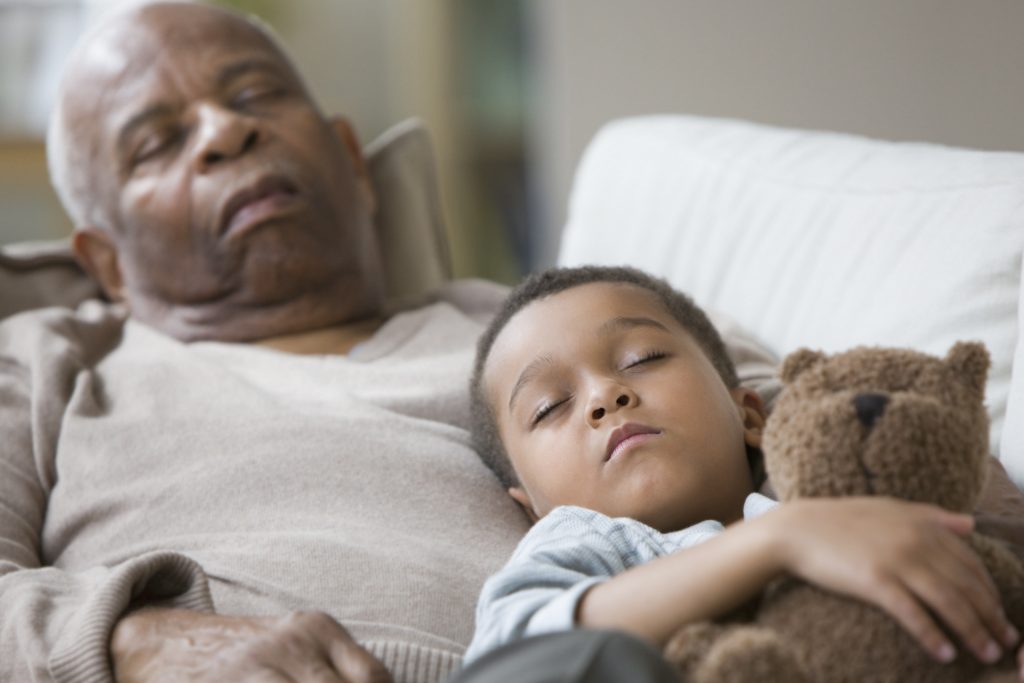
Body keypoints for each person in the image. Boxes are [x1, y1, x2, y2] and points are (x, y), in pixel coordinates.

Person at [0, 3, 681, 682]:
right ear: (108, 263)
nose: (227, 130)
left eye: (255, 95)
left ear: (353, 161)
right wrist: (135, 641)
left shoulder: (534, 327)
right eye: (155, 143)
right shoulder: (42, 361)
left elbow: (759, 420)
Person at [464, 265, 1024, 675]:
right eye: (548, 407)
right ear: (533, 507)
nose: (605, 395)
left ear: (750, 414)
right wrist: (779, 542)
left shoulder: (829, 494)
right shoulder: (586, 538)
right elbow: (512, 658)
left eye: (643, 359)